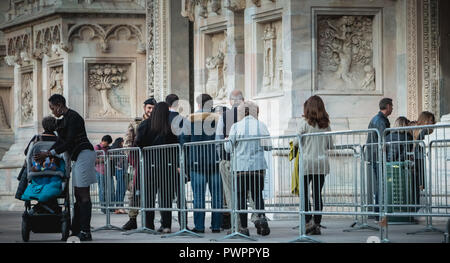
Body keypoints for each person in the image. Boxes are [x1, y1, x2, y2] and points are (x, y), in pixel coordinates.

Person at [34, 94, 96, 241]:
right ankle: (76, 229)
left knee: (83, 194)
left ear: (60, 105)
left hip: (84, 153)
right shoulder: (65, 120)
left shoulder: (73, 117)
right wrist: (47, 153)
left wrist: (49, 153)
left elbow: (68, 142)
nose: (52, 111)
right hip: (79, 156)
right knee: (77, 194)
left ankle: (86, 231)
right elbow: (60, 141)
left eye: (53, 108)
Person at [224, 101, 272, 237]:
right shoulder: (261, 125)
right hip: (258, 168)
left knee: (241, 197)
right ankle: (261, 219)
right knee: (257, 195)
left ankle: (244, 228)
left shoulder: (236, 126)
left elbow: (228, 148)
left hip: (240, 168)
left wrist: (226, 140)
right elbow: (269, 146)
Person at [180, 94, 223, 233]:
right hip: (215, 162)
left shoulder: (189, 119)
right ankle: (216, 225)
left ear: (198, 104)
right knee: (217, 196)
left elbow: (183, 141)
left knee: (198, 196)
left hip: (196, 162)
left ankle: (199, 226)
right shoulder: (218, 119)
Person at [135, 102, 179, 233]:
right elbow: (175, 147)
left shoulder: (145, 125)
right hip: (167, 165)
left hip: (149, 164)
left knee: (148, 196)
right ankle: (166, 225)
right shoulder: (170, 127)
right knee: (166, 197)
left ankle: (148, 225)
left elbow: (138, 142)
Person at [294, 95, 333, 235]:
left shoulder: (303, 123)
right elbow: (330, 144)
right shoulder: (326, 124)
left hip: (306, 163)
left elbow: (296, 142)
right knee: (317, 194)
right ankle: (317, 224)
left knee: (304, 194)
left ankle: (308, 221)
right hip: (321, 163)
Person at [122, 97, 157, 231]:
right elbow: (127, 142)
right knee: (134, 191)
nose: (150, 110)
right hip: (137, 162)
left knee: (150, 191)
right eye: (149, 108)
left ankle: (150, 221)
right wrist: (132, 159)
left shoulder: (157, 122)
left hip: (152, 162)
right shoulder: (136, 123)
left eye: (153, 108)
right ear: (144, 108)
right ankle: (132, 218)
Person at [16, 116, 60, 201]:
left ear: (43, 126)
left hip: (37, 168)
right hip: (54, 168)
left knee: (26, 163)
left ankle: (20, 192)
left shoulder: (37, 138)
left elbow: (26, 152)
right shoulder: (58, 140)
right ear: (55, 127)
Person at [365, 98, 393, 215]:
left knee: (380, 184)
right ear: (387, 106)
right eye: (392, 106)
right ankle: (379, 213)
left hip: (376, 156)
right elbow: (383, 140)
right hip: (378, 157)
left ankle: (379, 212)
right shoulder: (380, 120)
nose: (392, 108)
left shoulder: (378, 119)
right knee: (381, 184)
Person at [165, 93, 189, 228]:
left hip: (163, 161)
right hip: (178, 163)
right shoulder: (181, 119)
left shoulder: (162, 119)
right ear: (177, 104)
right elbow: (183, 142)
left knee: (166, 195)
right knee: (180, 196)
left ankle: (166, 225)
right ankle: (183, 224)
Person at [412, 111, 436, 210]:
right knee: (422, 182)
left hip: (421, 159)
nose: (433, 122)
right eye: (431, 120)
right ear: (426, 121)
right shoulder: (424, 131)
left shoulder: (422, 131)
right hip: (421, 160)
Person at [94, 135, 113, 214]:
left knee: (110, 190)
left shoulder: (108, 148)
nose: (108, 145)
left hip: (108, 171)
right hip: (99, 171)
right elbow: (94, 160)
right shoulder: (97, 147)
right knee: (102, 190)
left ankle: (110, 207)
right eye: (107, 143)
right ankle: (103, 208)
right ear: (104, 141)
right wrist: (105, 158)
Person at [110, 137, 127, 214]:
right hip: (120, 171)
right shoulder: (117, 151)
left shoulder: (119, 150)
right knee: (121, 189)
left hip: (121, 171)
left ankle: (119, 207)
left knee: (120, 189)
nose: (123, 143)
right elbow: (119, 162)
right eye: (123, 142)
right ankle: (119, 207)